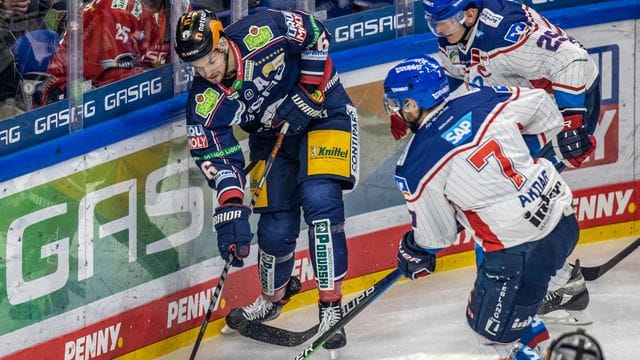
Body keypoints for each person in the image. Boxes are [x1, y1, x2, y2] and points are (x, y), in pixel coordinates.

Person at [394, 0, 599, 325]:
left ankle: (545, 287)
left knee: (502, 209)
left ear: (470, 13)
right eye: (434, 21)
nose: (439, 28)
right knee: (499, 203)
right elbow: (455, 81)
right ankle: (559, 277)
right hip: (516, 108)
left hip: (560, 108)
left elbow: (572, 57)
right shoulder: (455, 35)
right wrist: (415, 113)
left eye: (444, 20)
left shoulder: (504, 30)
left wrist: (573, 119)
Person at [174, 8, 359, 352]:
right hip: (272, 135)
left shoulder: (262, 29)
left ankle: (331, 307)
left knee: (320, 200)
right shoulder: (204, 102)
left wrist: (307, 88)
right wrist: (230, 205)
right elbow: (218, 157)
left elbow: (316, 32)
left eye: (210, 60)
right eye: (197, 68)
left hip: (323, 112)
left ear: (223, 42)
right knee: (275, 226)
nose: (208, 72)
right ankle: (274, 297)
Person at [385, 55, 580, 359]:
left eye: (396, 104)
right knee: (518, 309)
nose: (394, 112)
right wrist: (519, 158)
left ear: (412, 104)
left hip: (518, 250)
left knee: (489, 341)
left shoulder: (414, 164)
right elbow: (544, 107)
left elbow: (437, 238)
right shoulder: (483, 98)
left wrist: (414, 247)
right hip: (561, 219)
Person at [30, 0, 170, 108]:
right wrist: (162, 77)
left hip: (112, 89)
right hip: (68, 93)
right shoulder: (116, 9)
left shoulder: (176, 6)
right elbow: (110, 78)